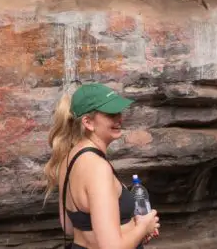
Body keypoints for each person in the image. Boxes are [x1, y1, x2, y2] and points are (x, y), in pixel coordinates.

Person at [43, 83, 160, 249]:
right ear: (88, 122)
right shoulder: (98, 168)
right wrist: (143, 228)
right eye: (111, 114)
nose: (119, 118)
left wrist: (132, 230)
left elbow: (69, 227)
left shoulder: (68, 159)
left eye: (119, 112)